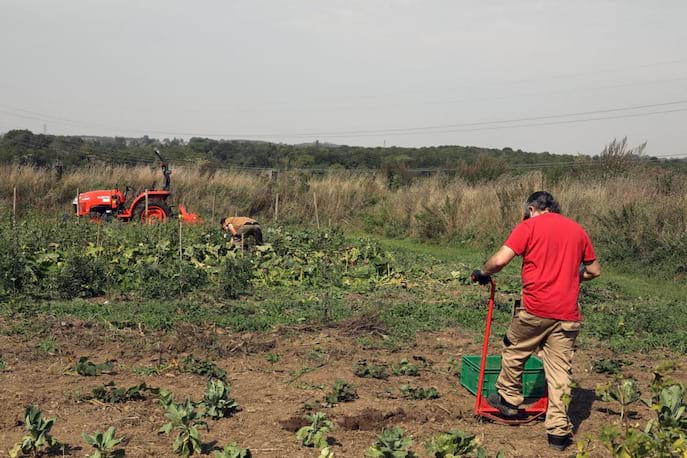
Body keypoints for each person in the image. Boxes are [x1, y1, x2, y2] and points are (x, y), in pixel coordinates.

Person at [471, 191, 601, 451]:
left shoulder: (528, 226)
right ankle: (558, 434)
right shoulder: (577, 230)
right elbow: (595, 270)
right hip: (567, 315)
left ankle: (508, 399)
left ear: (532, 209)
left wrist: (482, 272)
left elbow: (500, 259)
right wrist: (575, 277)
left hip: (536, 309)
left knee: (514, 346)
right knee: (559, 371)